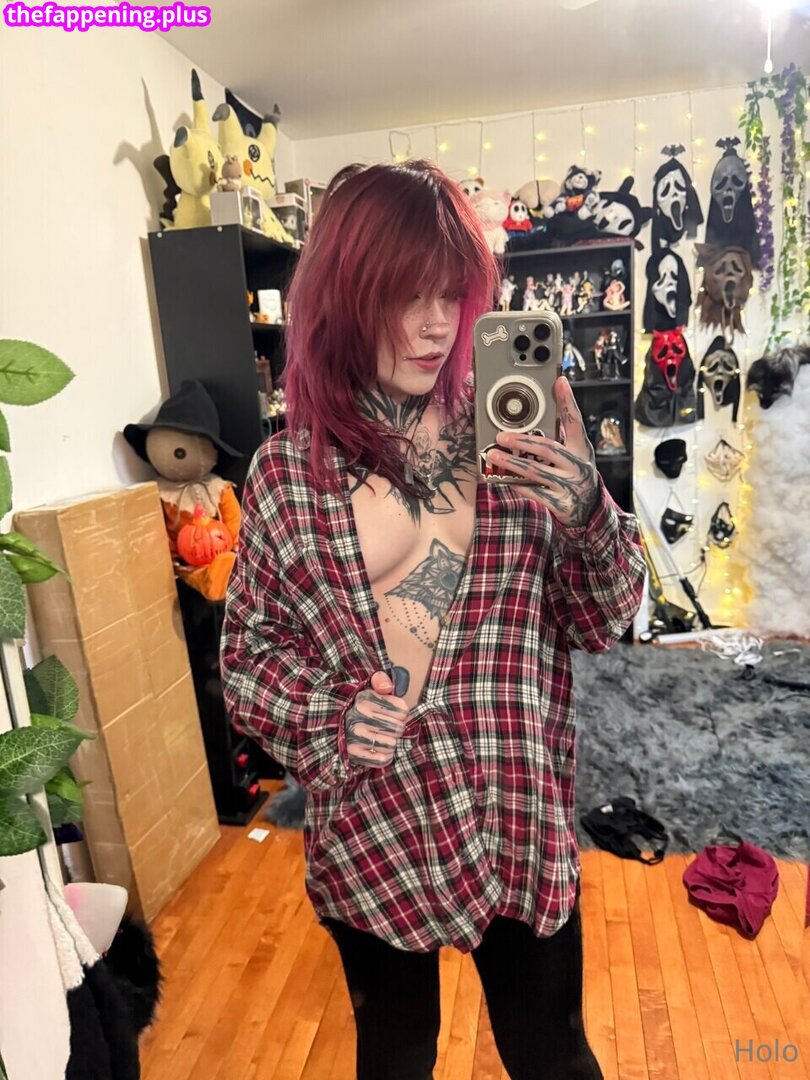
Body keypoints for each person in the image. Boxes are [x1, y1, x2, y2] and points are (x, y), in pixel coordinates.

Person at [220, 159, 646, 1080]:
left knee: (555, 1056)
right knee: (397, 1057)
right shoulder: (287, 476)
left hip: (514, 813)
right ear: (342, 295)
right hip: (376, 831)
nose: (435, 325)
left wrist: (589, 511)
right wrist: (330, 717)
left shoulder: (515, 442)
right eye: (404, 294)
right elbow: (249, 655)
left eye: (451, 293)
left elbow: (604, 619)